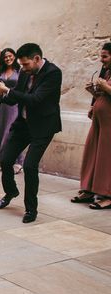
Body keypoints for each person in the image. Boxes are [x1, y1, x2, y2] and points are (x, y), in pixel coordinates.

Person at [0, 43, 62, 223]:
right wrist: (3, 95)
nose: (22, 68)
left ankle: (31, 209)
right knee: (5, 159)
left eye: (26, 64)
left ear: (37, 59)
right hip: (23, 124)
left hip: (43, 127)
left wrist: (7, 90)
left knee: (30, 166)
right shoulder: (25, 72)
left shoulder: (53, 73)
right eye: (21, 65)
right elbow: (19, 95)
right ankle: (11, 192)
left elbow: (36, 99)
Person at [72, 42, 111, 209]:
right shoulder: (107, 71)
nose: (102, 60)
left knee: (106, 157)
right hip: (99, 119)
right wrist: (94, 93)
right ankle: (89, 189)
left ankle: (107, 195)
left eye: (105, 56)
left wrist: (106, 87)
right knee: (93, 152)